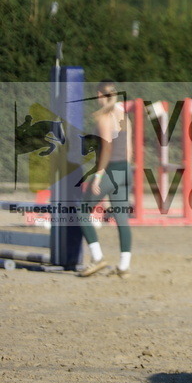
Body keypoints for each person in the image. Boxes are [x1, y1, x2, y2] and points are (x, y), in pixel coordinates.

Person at [78, 80, 134, 277]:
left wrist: (98, 175)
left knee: (81, 210)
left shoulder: (104, 117)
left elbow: (107, 148)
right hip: (125, 170)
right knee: (121, 218)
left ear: (100, 95)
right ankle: (124, 267)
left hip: (110, 170)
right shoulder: (124, 116)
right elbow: (129, 148)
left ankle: (97, 257)